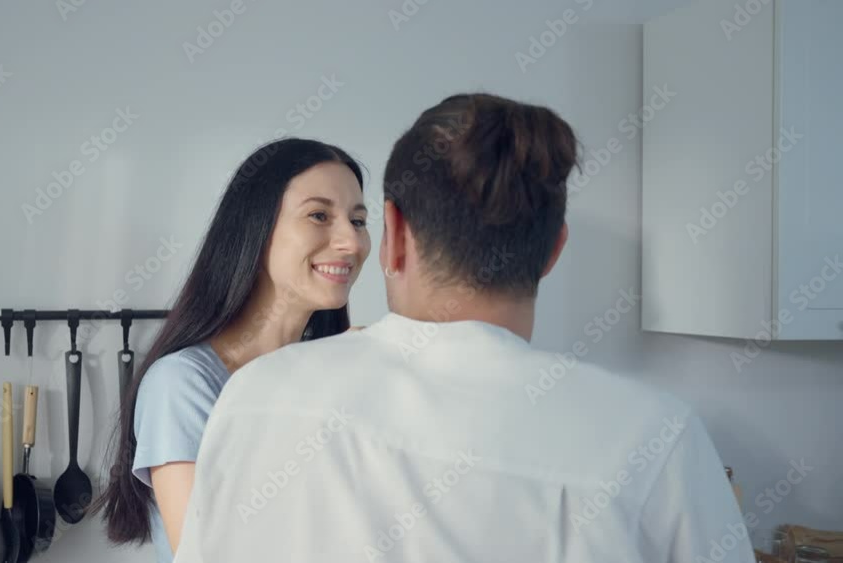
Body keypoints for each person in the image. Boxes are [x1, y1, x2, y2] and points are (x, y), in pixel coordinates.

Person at [172, 93, 755, 562]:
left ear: (394, 236)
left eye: (356, 219)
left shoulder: (255, 399)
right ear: (554, 250)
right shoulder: (658, 439)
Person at [90, 137, 372, 563]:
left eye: (358, 220)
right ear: (255, 229)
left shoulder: (338, 374)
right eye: (319, 215)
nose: (351, 241)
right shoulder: (181, 384)